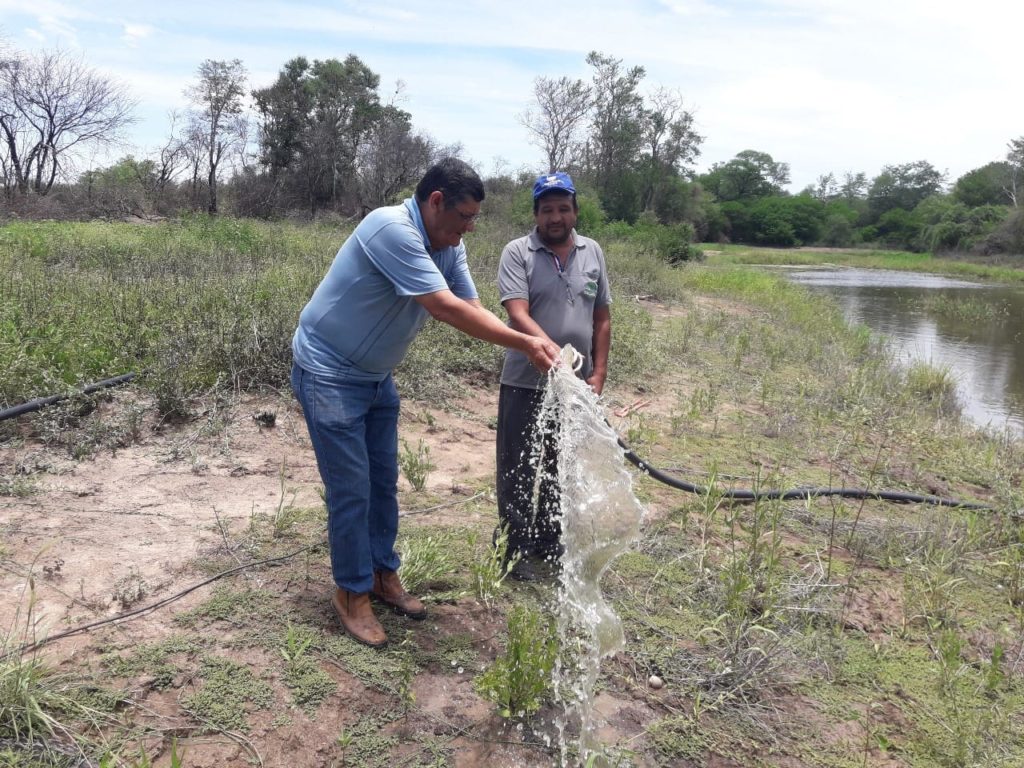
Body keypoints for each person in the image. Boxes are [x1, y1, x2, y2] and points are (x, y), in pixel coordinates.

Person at [291, 158, 561, 648]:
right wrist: (525, 346)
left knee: (383, 482)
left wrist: (532, 338)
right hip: (328, 371)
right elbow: (443, 307)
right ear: (435, 202)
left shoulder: (448, 244)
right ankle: (351, 593)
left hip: (374, 377)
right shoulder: (389, 228)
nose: (469, 227)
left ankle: (381, 574)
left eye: (475, 218)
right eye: (464, 216)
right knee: (352, 488)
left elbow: (472, 305)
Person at [495, 172, 612, 581]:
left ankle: (549, 542)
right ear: (536, 214)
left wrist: (597, 374)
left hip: (576, 387)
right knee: (516, 468)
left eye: (563, 208)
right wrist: (556, 357)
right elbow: (517, 313)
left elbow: (601, 318)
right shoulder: (518, 252)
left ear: (576, 211)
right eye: (547, 209)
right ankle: (512, 549)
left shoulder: (593, 251)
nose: (556, 217)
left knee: (558, 466)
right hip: (524, 381)